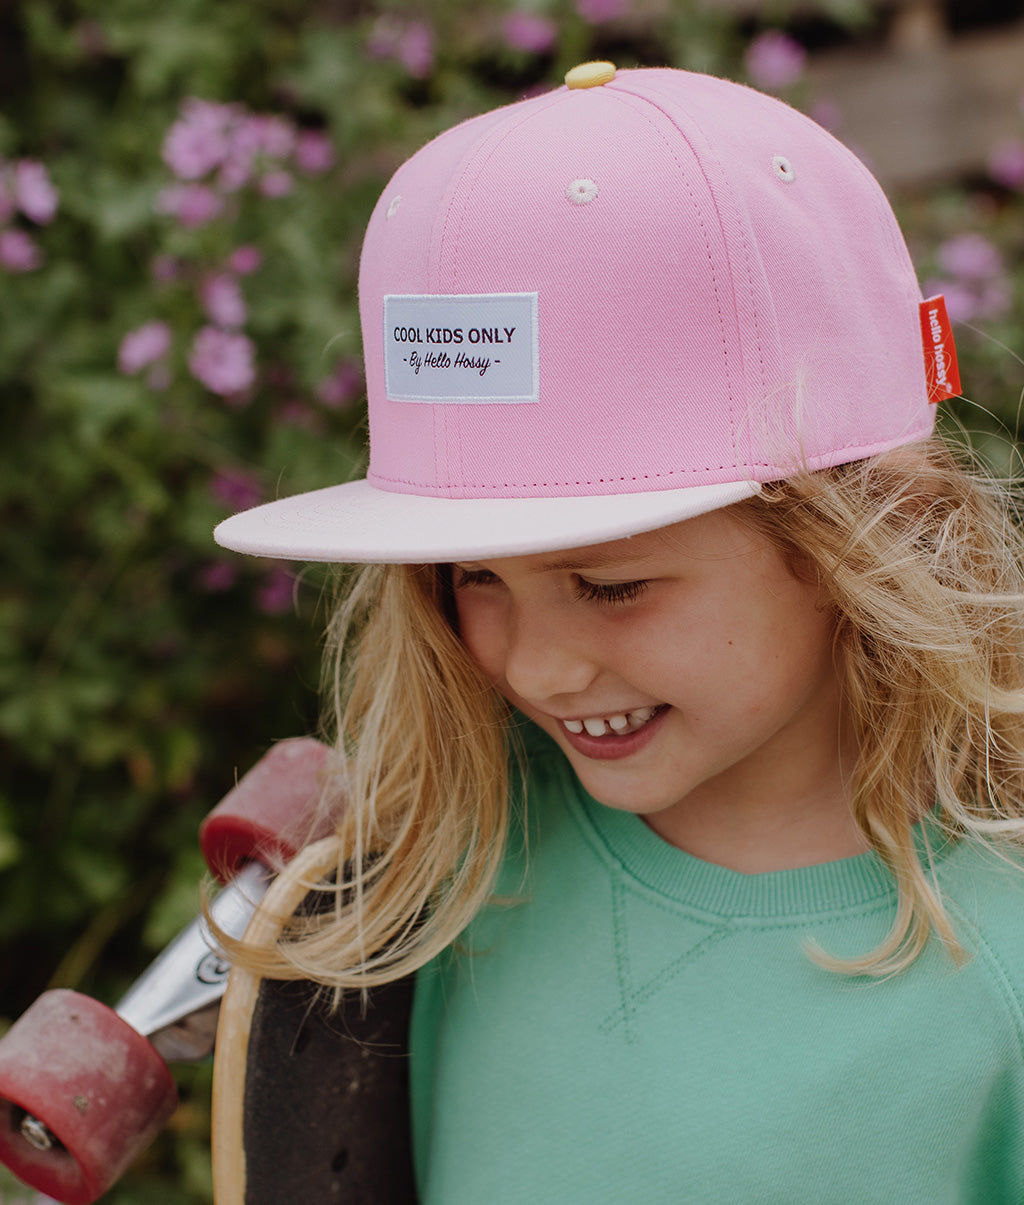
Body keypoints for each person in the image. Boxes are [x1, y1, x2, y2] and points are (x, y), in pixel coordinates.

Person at [214, 63, 1024, 1202]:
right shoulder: (447, 880)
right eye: (472, 575)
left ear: (867, 529)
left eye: (609, 584)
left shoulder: (1001, 975)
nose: (533, 663)